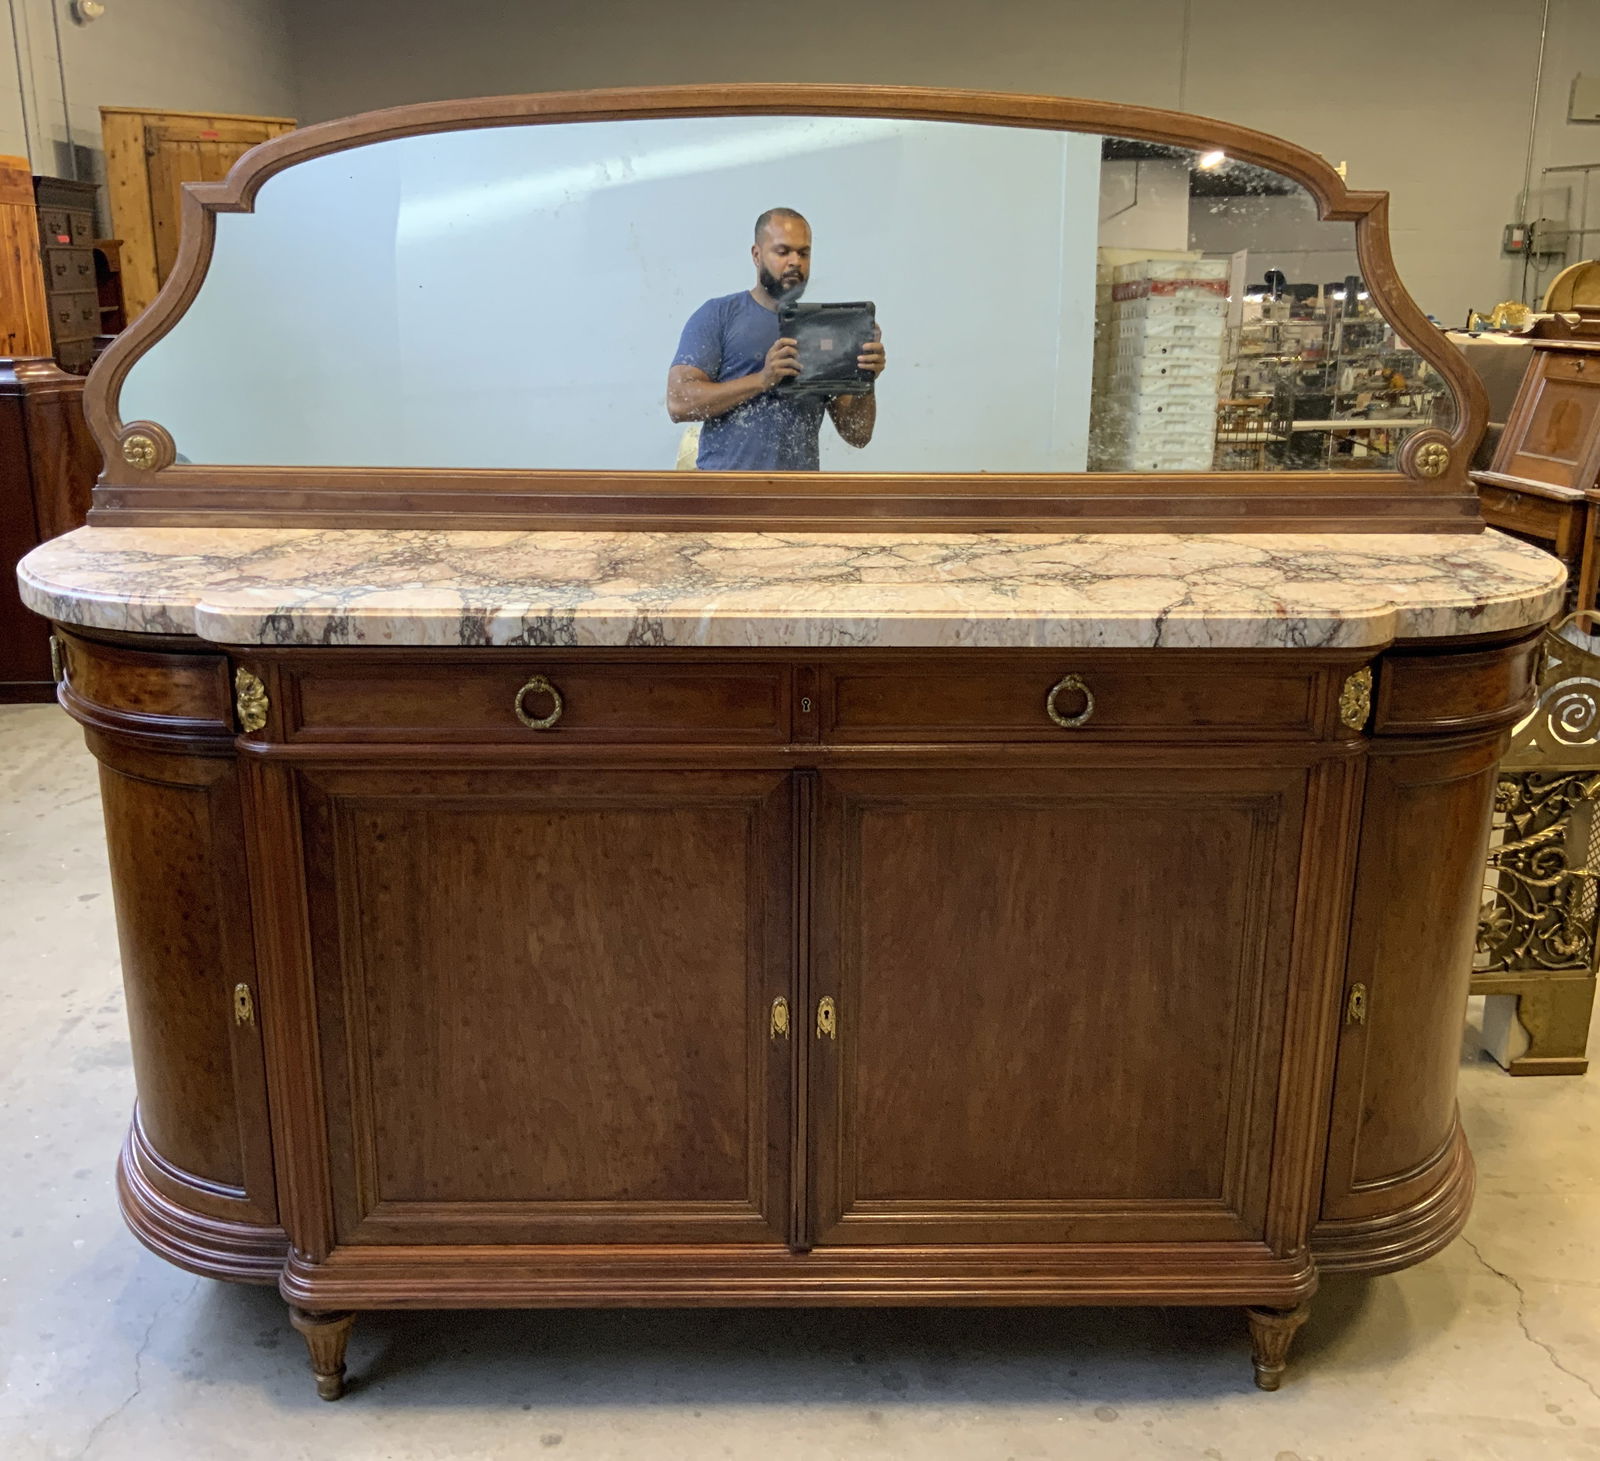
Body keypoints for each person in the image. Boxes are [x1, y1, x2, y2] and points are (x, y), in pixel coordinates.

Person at [666, 208, 886, 470]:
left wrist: (865, 378)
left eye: (803, 253)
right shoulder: (719, 315)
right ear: (756, 255)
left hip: (795, 500)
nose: (795, 261)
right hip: (725, 496)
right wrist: (762, 379)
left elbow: (858, 435)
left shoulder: (824, 329)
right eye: (783, 252)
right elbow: (679, 403)